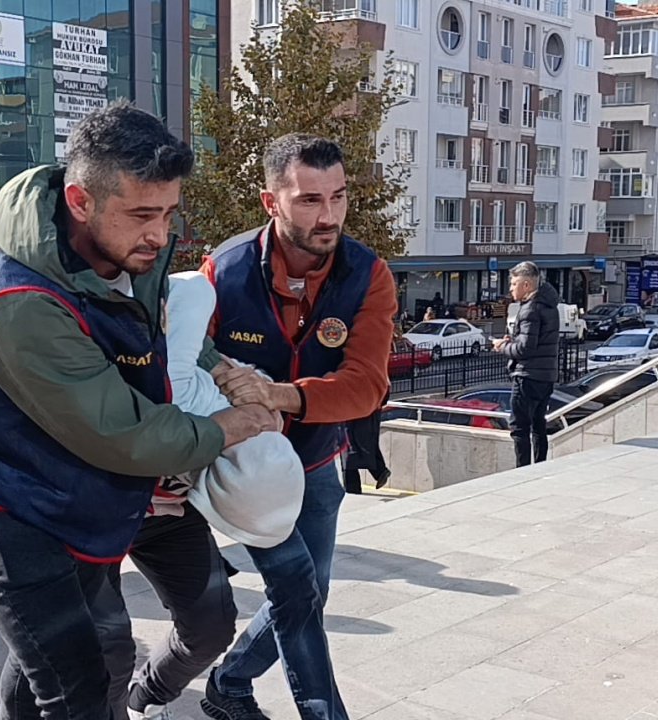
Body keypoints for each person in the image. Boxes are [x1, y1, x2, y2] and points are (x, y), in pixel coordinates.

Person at [0, 101, 277, 718]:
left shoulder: (119, 248)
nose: (161, 235)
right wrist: (230, 426)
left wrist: (219, 364)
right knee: (81, 679)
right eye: (143, 215)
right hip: (3, 501)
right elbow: (124, 435)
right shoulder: (18, 302)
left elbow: (157, 328)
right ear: (81, 200)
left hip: (76, 485)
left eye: (169, 212)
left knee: (80, 657)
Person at [199, 134, 397, 720]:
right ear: (271, 202)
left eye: (337, 197)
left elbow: (367, 386)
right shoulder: (224, 271)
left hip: (315, 463)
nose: (328, 215)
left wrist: (278, 396)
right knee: (296, 593)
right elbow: (184, 357)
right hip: (244, 469)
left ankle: (229, 683)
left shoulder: (369, 275)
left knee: (311, 593)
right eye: (309, 200)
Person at [103, 272, 305, 720]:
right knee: (99, 643)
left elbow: (247, 388)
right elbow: (193, 287)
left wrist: (261, 409)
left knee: (210, 625)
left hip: (167, 513)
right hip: (95, 503)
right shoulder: (171, 384)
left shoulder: (219, 396)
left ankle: (146, 697)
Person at [494, 261, 560, 467]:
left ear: (526, 285)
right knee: (539, 425)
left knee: (519, 428)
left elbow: (525, 349)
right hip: (546, 376)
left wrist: (502, 347)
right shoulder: (549, 305)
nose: (510, 289)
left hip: (527, 376)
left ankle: (522, 472)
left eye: (514, 284)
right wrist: (512, 341)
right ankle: (539, 467)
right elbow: (533, 342)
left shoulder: (530, 309)